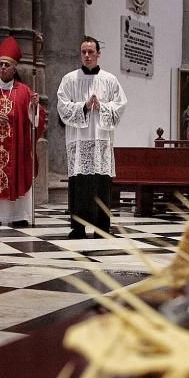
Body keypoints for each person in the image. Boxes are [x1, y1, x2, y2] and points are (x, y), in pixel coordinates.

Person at [0, 37, 46, 227]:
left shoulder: (24, 91)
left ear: (14, 68)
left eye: (7, 65)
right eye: (0, 64)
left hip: (16, 148)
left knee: (17, 175)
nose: (3, 68)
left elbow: (36, 119)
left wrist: (35, 107)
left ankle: (18, 215)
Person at [56, 36, 127, 239]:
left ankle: (102, 227)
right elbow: (62, 106)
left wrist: (102, 106)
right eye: (84, 52)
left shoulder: (109, 79)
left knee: (101, 183)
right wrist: (84, 106)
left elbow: (120, 105)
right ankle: (78, 227)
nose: (87, 56)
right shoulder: (69, 79)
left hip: (101, 140)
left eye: (91, 52)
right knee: (80, 184)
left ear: (98, 54)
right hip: (78, 140)